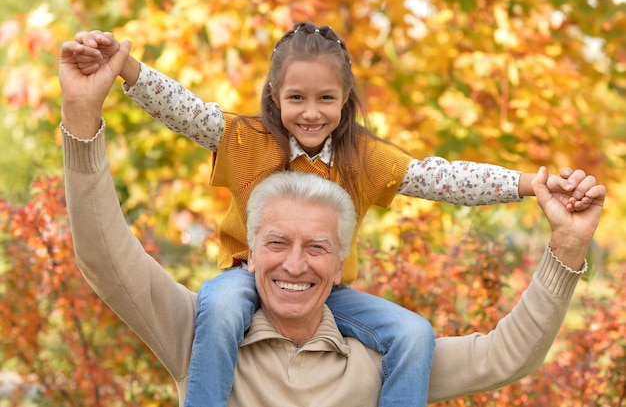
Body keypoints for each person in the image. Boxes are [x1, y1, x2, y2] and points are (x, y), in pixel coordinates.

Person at [68, 24, 598, 407]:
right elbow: (183, 109)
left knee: (413, 333)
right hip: (237, 281)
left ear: (346, 101)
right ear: (275, 99)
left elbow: (442, 178)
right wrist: (124, 72)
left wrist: (532, 185)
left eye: (326, 98)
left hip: (337, 299)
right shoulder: (243, 139)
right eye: (296, 97)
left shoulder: (364, 160)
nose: (311, 111)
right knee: (225, 309)